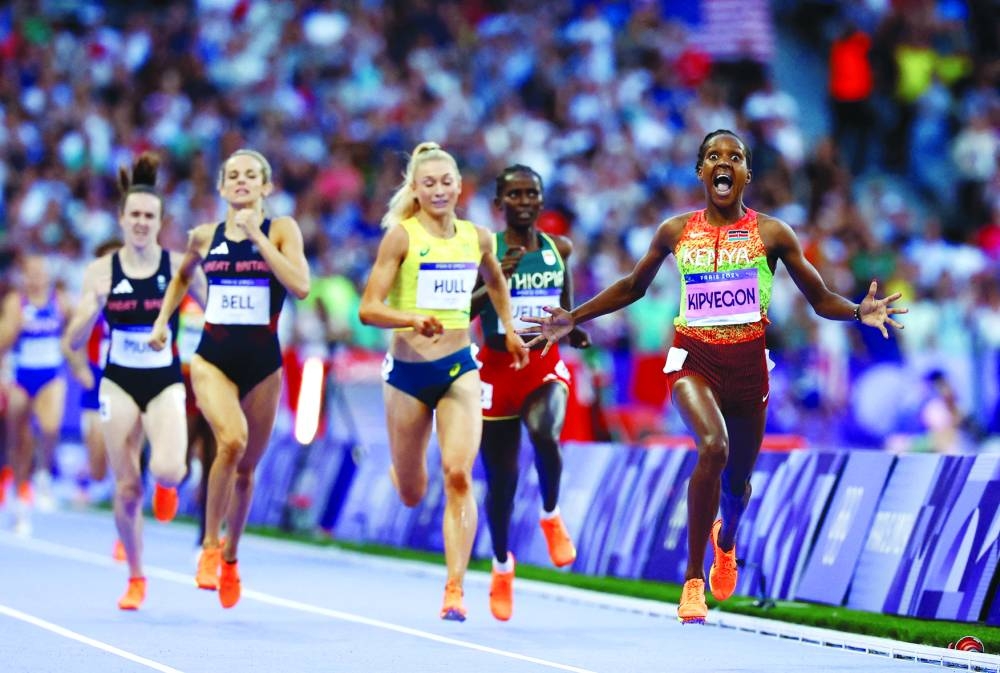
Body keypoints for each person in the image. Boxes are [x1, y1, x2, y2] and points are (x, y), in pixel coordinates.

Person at [523, 129, 907, 624]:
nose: (723, 162)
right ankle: (692, 581)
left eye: (735, 157)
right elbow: (631, 287)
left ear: (746, 173)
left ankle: (725, 540)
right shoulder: (675, 230)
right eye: (712, 156)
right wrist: (573, 316)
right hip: (693, 360)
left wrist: (858, 310)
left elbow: (819, 298)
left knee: (738, 484)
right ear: (701, 172)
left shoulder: (773, 234)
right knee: (712, 447)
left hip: (749, 372)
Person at [359, 141, 528, 621]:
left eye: (446, 182)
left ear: (459, 186)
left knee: (458, 473)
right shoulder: (401, 237)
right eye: (428, 183)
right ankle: (403, 470)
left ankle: (454, 587)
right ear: (414, 189)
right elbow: (368, 308)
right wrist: (412, 319)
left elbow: (495, 281)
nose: (438, 190)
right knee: (413, 491)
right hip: (408, 374)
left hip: (459, 368)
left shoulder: (478, 237)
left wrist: (510, 331)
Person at [150, 148, 310, 609]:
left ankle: (232, 558)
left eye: (251, 176)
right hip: (212, 358)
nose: (241, 181)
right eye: (233, 176)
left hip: (264, 363)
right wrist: (163, 321)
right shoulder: (203, 236)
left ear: (266, 187)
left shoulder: (282, 229)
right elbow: (181, 279)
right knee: (231, 441)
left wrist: (257, 239)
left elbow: (300, 285)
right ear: (221, 188)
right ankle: (208, 545)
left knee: (245, 471)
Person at [63, 153, 205, 610]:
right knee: (125, 487)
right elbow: (72, 341)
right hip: (118, 380)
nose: (142, 222)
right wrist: (86, 316)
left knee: (169, 469)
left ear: (161, 222)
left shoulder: (180, 267)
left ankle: (166, 486)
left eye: (150, 216)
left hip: (165, 379)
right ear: (122, 219)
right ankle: (137, 576)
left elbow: (218, 313)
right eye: (135, 215)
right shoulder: (100, 273)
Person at [469, 164, 590, 622]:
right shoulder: (486, 249)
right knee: (500, 483)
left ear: (541, 201)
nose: (523, 201)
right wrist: (493, 278)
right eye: (514, 195)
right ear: (500, 204)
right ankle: (502, 565)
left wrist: (573, 330)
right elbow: (464, 310)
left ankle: (551, 513)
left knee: (545, 432)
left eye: (531, 194)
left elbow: (565, 305)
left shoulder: (560, 248)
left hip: (542, 366)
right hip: (497, 372)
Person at [0, 252, 73, 534]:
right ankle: (20, 494)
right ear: (24, 276)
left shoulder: (61, 302)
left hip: (51, 374)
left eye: (41, 274)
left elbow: (74, 331)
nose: (36, 279)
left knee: (50, 425)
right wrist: (15, 326)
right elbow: (4, 342)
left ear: (48, 276)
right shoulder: (14, 302)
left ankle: (44, 472)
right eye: (31, 273)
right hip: (21, 376)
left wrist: (68, 350)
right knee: (19, 440)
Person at [64, 239, 121, 510]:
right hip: (97, 382)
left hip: (128, 379)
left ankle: (126, 490)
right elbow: (70, 342)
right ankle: (88, 476)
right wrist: (80, 368)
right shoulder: (89, 300)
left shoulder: (138, 295)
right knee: (98, 452)